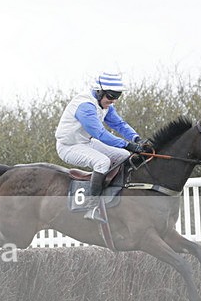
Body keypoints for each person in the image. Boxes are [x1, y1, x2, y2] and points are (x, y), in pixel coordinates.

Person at [55, 72, 147, 222]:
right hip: (68, 147)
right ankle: (92, 207)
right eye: (110, 97)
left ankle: (116, 196)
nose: (113, 101)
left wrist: (136, 138)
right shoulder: (85, 107)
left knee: (124, 156)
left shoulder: (104, 104)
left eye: (117, 97)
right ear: (99, 92)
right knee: (102, 162)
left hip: (86, 141)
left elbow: (119, 124)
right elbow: (100, 134)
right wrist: (128, 144)